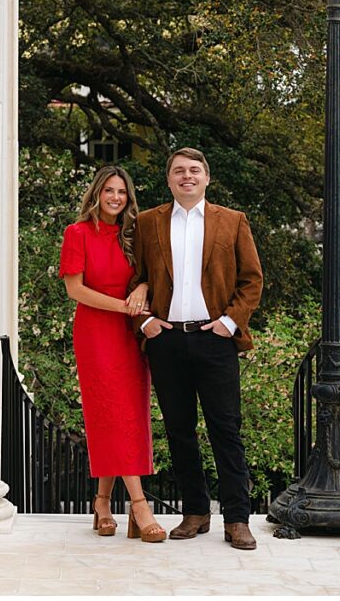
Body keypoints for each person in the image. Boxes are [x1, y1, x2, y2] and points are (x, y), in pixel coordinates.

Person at [129, 147, 264, 549]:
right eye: (178, 171)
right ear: (168, 179)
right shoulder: (147, 222)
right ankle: (195, 512)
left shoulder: (233, 221)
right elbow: (133, 278)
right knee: (179, 431)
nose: (186, 176)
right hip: (165, 339)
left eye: (194, 170)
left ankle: (237, 518)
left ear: (206, 177)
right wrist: (145, 321)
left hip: (214, 339)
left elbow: (252, 280)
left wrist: (228, 322)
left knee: (226, 429)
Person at [59, 165, 166, 542]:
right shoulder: (78, 233)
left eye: (122, 192)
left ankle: (102, 501)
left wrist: (143, 289)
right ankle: (140, 506)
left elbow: (153, 272)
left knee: (128, 415)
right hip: (96, 333)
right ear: (96, 194)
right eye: (109, 191)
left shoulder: (133, 234)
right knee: (109, 412)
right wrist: (123, 306)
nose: (116, 198)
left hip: (130, 335)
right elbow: (76, 290)